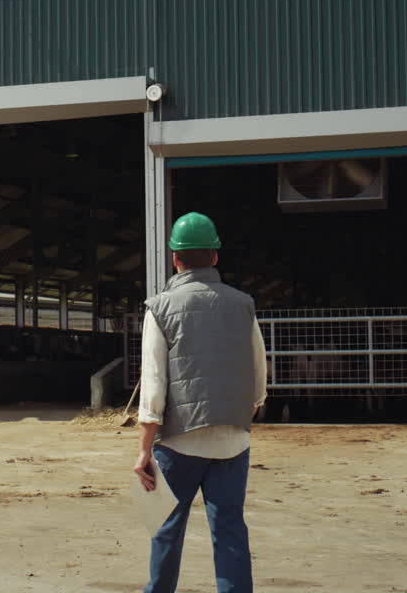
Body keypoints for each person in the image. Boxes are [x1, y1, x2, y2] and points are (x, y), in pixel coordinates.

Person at [133, 211, 267, 593]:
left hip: (180, 442)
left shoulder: (159, 308)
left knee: (166, 529)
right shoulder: (243, 305)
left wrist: (144, 449)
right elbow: (260, 374)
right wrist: (242, 414)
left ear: (175, 258)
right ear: (215, 257)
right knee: (229, 532)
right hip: (232, 441)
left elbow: (154, 386)